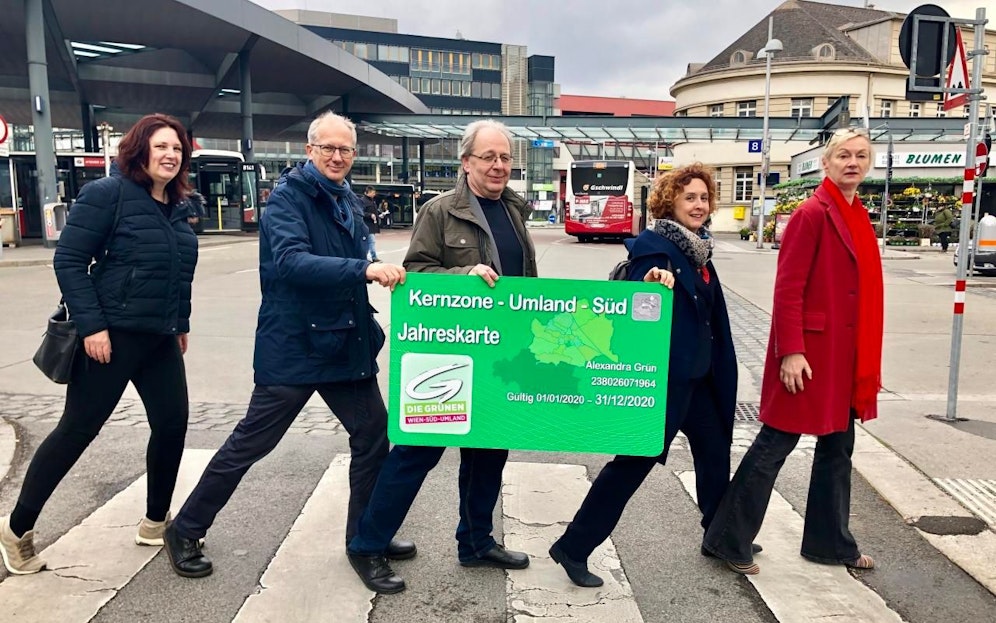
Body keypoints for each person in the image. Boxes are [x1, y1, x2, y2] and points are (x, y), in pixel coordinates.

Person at [163, 111, 411, 578]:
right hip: (295, 345)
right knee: (251, 443)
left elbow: (359, 256)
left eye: (346, 150)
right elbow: (293, 263)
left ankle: (365, 538)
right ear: (310, 150)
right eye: (329, 148)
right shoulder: (287, 200)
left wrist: (375, 265)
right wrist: (363, 270)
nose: (338, 157)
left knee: (373, 436)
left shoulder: (346, 200)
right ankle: (185, 528)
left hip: (343, 344)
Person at [0, 113, 199, 574]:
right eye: (162, 146)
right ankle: (17, 529)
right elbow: (70, 262)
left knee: (172, 425)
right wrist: (92, 328)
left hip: (159, 337)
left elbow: (175, 272)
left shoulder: (177, 204)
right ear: (140, 150)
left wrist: (180, 321)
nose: (171, 155)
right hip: (110, 337)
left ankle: (154, 521)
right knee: (77, 430)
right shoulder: (107, 194)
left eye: (177, 149)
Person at [346, 119, 536, 594]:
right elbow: (414, 271)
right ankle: (368, 545)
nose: (498, 165)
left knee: (490, 452)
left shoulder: (514, 210)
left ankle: (476, 542)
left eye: (505, 157)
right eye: (488, 157)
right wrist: (462, 273)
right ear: (466, 162)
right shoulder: (440, 211)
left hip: (500, 354)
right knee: (417, 453)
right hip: (447, 353)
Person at [547, 163, 740, 588]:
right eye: (689, 197)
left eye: (704, 198)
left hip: (697, 381)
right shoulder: (655, 251)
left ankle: (720, 533)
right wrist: (654, 283)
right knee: (632, 466)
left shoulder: (698, 250)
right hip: (665, 384)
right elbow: (638, 298)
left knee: (714, 454)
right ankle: (573, 546)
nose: (699, 205)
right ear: (670, 202)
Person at [702, 127, 882, 575]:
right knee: (775, 443)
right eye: (843, 155)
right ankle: (727, 538)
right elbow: (788, 289)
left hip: (843, 356)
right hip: (810, 356)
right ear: (826, 162)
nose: (852, 162)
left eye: (861, 155)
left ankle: (829, 542)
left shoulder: (856, 213)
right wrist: (791, 351)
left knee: (838, 450)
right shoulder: (812, 213)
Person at [360, 186, 382, 262]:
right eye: (373, 192)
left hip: (371, 225)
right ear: (368, 192)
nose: (374, 194)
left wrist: (378, 215)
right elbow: (361, 212)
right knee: (371, 241)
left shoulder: (372, 201)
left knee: (369, 242)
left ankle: (365, 257)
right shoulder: (363, 201)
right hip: (366, 225)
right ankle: (373, 257)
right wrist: (370, 215)